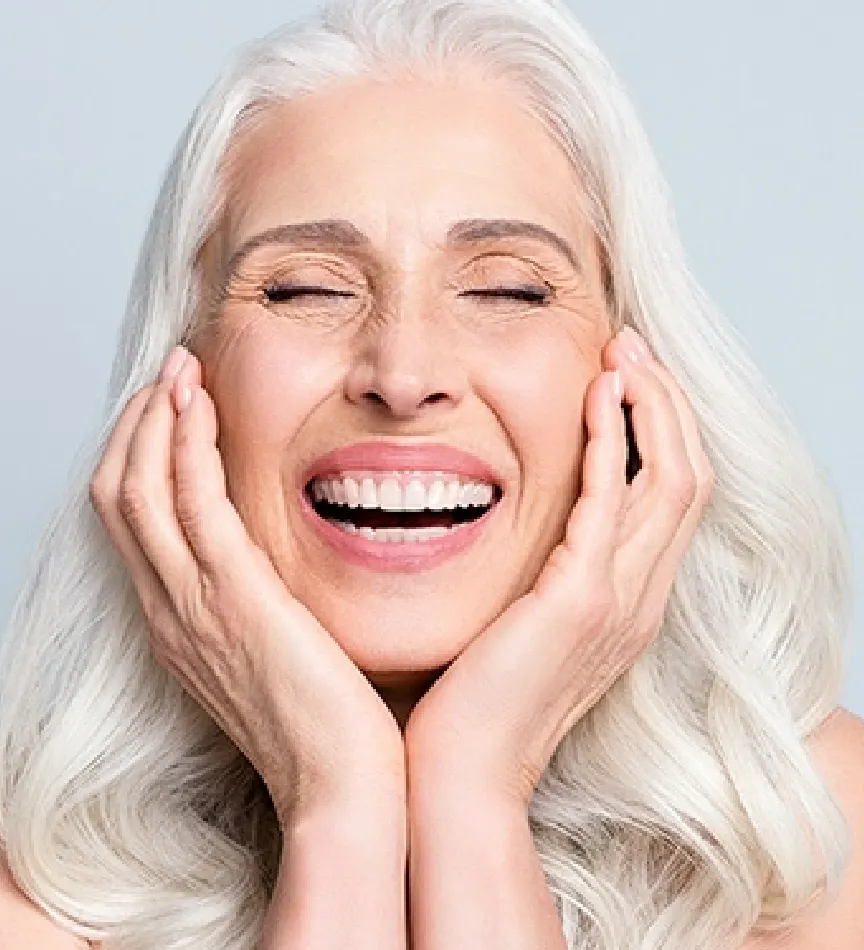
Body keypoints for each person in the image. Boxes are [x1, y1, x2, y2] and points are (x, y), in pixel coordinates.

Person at [1, 0, 862, 947]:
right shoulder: (30, 887)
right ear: (183, 374)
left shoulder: (819, 839)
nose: (404, 376)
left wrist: (473, 786)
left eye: (506, 288)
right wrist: (336, 802)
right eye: (306, 288)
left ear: (635, 373)